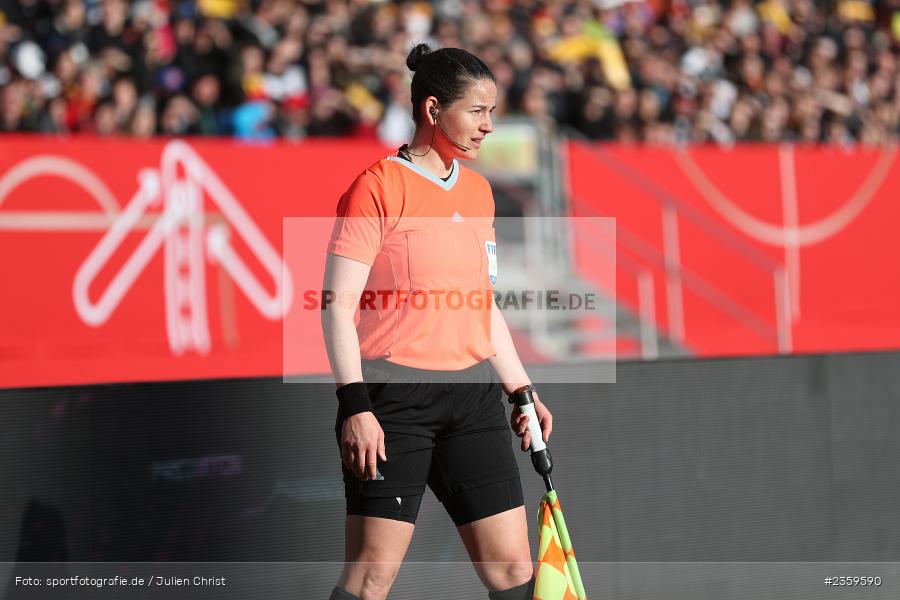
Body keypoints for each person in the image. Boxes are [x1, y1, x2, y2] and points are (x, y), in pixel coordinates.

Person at [322, 43, 553, 600]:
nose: (489, 126)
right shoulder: (375, 186)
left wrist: (521, 390)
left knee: (513, 571)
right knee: (371, 578)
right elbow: (336, 305)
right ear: (432, 111)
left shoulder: (478, 191)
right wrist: (355, 405)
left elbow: (483, 304)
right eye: (477, 111)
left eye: (492, 112)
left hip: (473, 398)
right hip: (393, 401)